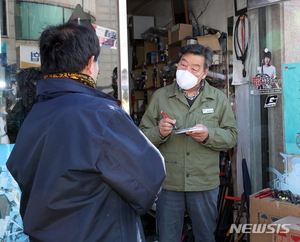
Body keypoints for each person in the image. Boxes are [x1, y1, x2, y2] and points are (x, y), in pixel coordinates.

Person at [6, 21, 165, 242]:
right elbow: (149, 179)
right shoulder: (100, 114)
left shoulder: (36, 112)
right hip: (99, 233)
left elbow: (17, 167)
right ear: (91, 63)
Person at [139, 44, 238, 242]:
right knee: (168, 236)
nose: (187, 71)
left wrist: (209, 135)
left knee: (204, 236)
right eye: (183, 65)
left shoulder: (217, 98)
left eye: (194, 68)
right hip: (169, 183)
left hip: (203, 182)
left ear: (204, 73)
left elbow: (232, 136)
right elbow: (141, 137)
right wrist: (158, 131)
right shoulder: (161, 96)